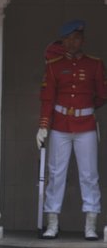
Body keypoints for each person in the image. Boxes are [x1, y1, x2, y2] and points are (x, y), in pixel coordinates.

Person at [36, 19, 107, 240]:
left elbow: (102, 94)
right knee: (56, 175)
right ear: (63, 41)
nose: (72, 42)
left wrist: (84, 109)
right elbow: (47, 98)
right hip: (60, 126)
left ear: (82, 40)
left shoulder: (94, 64)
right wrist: (43, 126)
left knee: (89, 176)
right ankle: (52, 223)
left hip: (85, 125)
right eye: (68, 39)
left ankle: (90, 225)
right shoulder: (54, 65)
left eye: (76, 38)